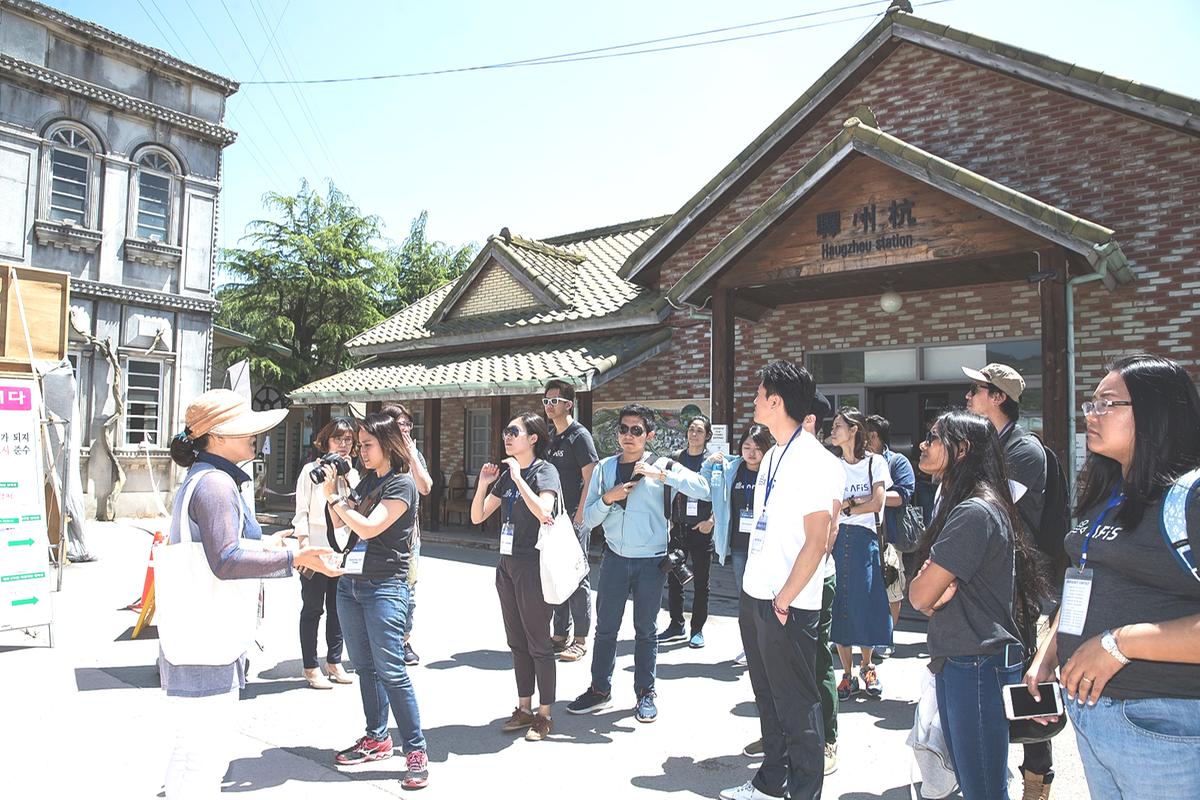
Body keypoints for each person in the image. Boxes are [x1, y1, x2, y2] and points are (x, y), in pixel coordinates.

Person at [1024, 354, 1200, 799]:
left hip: (1164, 722)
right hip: (1095, 714)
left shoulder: (1190, 499)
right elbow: (1089, 577)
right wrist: (1051, 651)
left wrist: (1118, 643)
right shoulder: (1109, 490)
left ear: (1156, 413)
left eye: (1108, 404)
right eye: (1091, 404)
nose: (1091, 415)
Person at [161, 389, 339, 798]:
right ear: (218, 436)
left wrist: (271, 545)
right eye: (246, 430)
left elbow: (222, 550)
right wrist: (294, 557)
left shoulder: (204, 479)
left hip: (195, 636)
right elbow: (225, 559)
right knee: (206, 757)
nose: (254, 437)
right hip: (209, 640)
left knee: (189, 750)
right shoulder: (218, 486)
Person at [720, 361, 844, 800]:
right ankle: (771, 781)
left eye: (758, 395)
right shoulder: (772, 453)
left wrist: (785, 598)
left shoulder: (814, 460)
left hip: (787, 602)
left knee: (797, 701)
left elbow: (818, 541)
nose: (753, 401)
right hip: (757, 592)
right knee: (768, 696)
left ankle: (806, 790)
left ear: (776, 401)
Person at [909, 411, 1047, 800]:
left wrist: (931, 590)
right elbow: (928, 594)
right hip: (965, 658)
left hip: (976, 662)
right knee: (974, 784)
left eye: (934, 437)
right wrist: (933, 591)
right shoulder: (972, 505)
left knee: (983, 789)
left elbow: (920, 595)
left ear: (962, 449)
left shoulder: (974, 511)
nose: (924, 444)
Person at [567, 403, 710, 723]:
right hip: (615, 559)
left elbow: (704, 489)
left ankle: (646, 693)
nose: (628, 436)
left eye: (636, 430)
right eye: (623, 429)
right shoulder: (604, 468)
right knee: (605, 629)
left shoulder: (662, 465)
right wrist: (608, 498)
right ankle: (599, 689)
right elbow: (587, 519)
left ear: (649, 435)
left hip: (651, 562)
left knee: (646, 631)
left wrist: (663, 474)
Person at [961, 361, 1056, 799]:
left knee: (1026, 683)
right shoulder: (987, 445)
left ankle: (1037, 781)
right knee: (991, 681)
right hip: (989, 580)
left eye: (976, 389)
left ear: (998, 396)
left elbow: (993, 508)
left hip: (1019, 583)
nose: (968, 397)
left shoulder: (1023, 450)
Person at [324, 413, 429, 790]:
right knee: (365, 669)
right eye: (359, 444)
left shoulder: (401, 485)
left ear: (388, 444)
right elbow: (342, 527)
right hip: (351, 584)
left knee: (392, 671)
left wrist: (337, 500)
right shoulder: (370, 480)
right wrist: (334, 494)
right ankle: (377, 737)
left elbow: (369, 527)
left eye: (367, 444)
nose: (360, 451)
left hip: (386, 585)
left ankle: (415, 749)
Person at [471, 411, 562, 741]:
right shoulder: (507, 474)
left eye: (514, 432)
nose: (507, 437)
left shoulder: (545, 471)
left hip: (534, 566)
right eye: (506, 432)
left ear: (533, 438)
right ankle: (524, 708)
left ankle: (545, 714)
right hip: (507, 565)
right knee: (516, 642)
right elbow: (478, 515)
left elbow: (544, 511)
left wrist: (519, 477)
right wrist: (483, 485)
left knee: (539, 642)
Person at [829, 407, 893, 700]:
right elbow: (831, 506)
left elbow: (877, 502)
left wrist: (848, 505)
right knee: (840, 604)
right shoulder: (831, 465)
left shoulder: (875, 462)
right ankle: (846, 674)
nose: (833, 430)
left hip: (865, 540)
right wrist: (856, 503)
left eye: (838, 425)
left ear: (854, 429)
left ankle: (867, 667)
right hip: (838, 538)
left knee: (865, 603)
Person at [292, 417, 360, 689]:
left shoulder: (352, 472)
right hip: (316, 545)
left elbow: (355, 509)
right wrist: (304, 546)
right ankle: (310, 666)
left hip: (342, 547)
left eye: (348, 440)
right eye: (338, 439)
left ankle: (334, 660)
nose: (343, 445)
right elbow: (302, 511)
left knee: (338, 608)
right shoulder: (312, 470)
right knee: (312, 608)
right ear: (326, 442)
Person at [542, 379, 599, 663]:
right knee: (556, 574)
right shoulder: (552, 437)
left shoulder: (580, 436)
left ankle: (580, 639)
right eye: (546, 401)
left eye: (554, 401)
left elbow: (591, 476)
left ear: (569, 404)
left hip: (575, 516)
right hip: (553, 518)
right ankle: (559, 634)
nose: (549, 406)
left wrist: (580, 514)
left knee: (577, 577)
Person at [380, 404, 433, 667]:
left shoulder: (414, 454)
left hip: (409, 537)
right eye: (400, 423)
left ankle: (403, 640)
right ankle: (381, 640)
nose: (405, 428)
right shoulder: (376, 452)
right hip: (378, 533)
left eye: (408, 424)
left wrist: (412, 455)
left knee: (408, 591)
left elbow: (425, 487)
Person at [659, 415, 717, 649]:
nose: (694, 434)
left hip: (701, 529)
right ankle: (676, 624)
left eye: (699, 431)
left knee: (701, 582)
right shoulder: (676, 458)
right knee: (674, 579)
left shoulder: (711, 461)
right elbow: (665, 489)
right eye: (691, 430)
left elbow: (719, 494)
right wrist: (667, 518)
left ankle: (697, 629)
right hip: (679, 527)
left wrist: (711, 520)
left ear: (707, 436)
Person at [865, 414, 916, 658]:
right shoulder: (854, 461)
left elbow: (904, 496)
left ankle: (886, 637)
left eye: (869, 435)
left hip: (889, 537)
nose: (865, 440)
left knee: (891, 587)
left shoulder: (897, 462)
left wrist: (871, 500)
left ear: (878, 437)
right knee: (859, 588)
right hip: (859, 534)